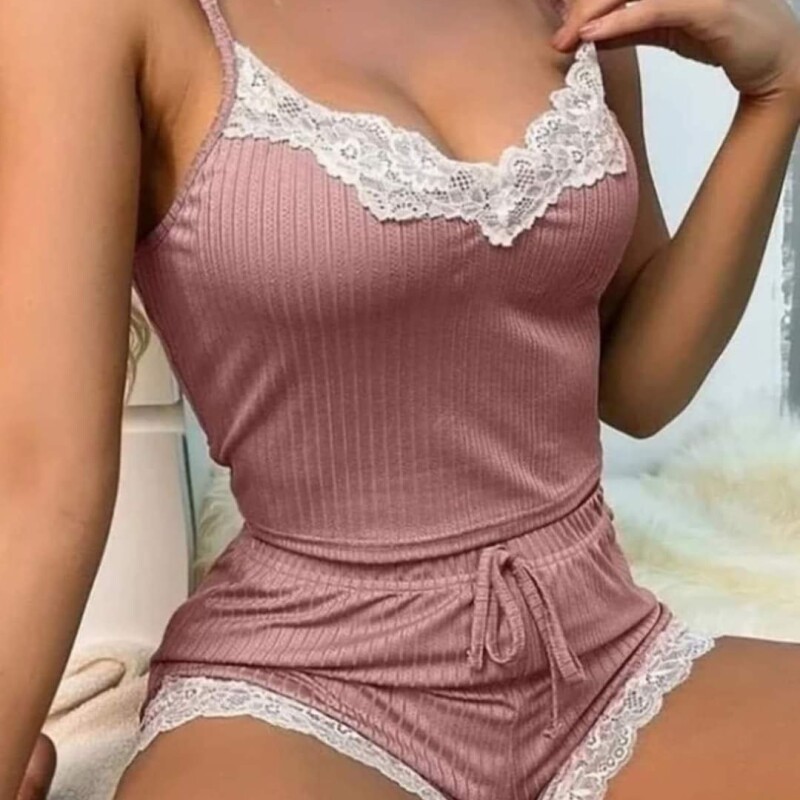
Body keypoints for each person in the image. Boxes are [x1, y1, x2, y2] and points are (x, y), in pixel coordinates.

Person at [2, 0, 800, 798]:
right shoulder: (95, 17)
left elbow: (634, 387)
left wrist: (777, 94)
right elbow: (40, 480)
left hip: (600, 654)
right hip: (304, 686)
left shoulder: (568, 6)